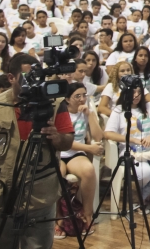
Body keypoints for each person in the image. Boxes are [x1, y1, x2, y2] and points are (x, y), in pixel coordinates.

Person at [0, 53, 75, 249]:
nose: (34, 83)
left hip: (40, 193)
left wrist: (57, 137)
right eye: (27, 77)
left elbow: (67, 142)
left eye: (37, 77)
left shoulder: (54, 104)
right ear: (11, 78)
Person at [102, 81, 150, 211]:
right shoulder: (118, 110)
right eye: (133, 92)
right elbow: (108, 134)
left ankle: (143, 194)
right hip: (130, 151)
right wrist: (131, 140)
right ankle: (144, 198)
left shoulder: (149, 107)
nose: (136, 95)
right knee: (144, 172)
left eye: (139, 92)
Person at [58, 82, 104, 229]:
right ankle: (58, 217)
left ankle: (87, 213)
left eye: (84, 95)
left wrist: (89, 115)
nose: (81, 99)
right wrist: (88, 148)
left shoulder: (86, 112)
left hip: (75, 154)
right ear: (67, 99)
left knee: (89, 170)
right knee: (57, 174)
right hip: (59, 151)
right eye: (77, 96)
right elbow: (64, 142)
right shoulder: (61, 114)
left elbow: (98, 136)